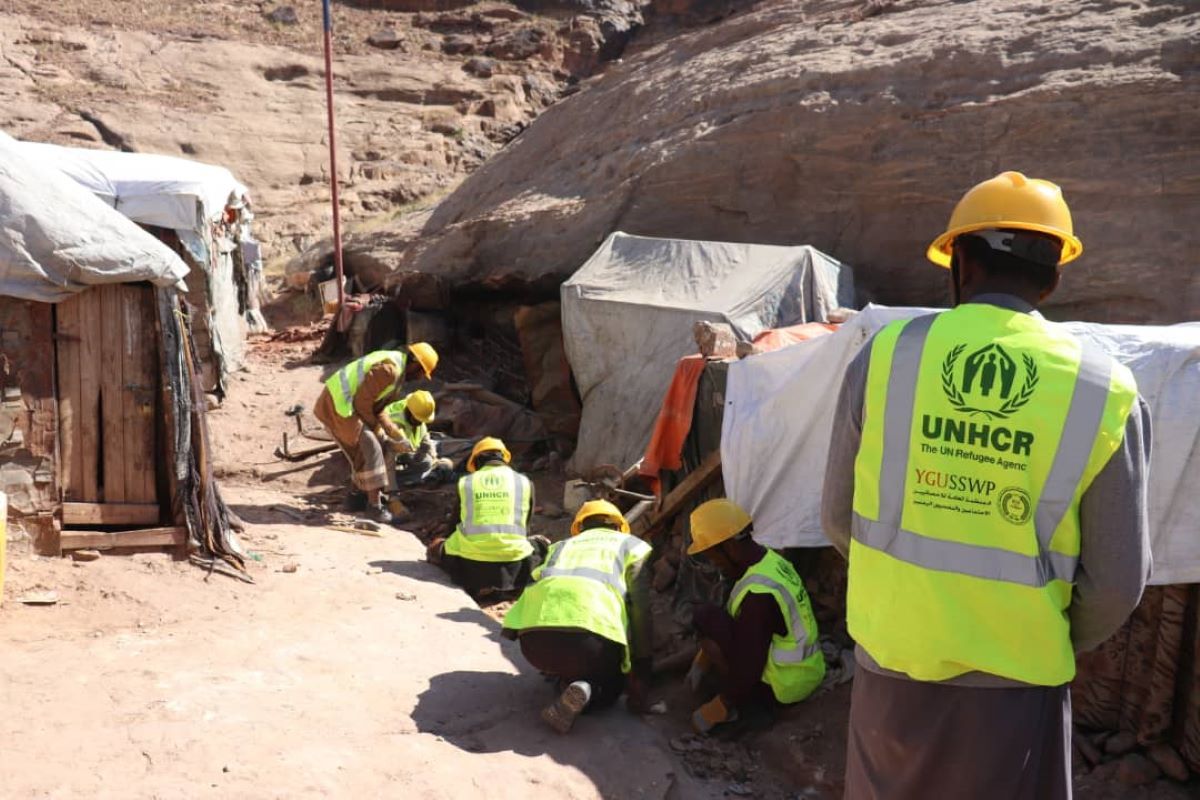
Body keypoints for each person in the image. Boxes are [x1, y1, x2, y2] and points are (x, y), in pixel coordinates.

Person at [821, 171, 1152, 799]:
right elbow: (1116, 583)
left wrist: (910, 601)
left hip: (889, 674)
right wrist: (1033, 631)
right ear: (1054, 273)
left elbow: (839, 519)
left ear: (961, 263)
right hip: (1014, 698)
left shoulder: (886, 356)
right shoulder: (1104, 391)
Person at [502, 500, 653, 734]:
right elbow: (640, 611)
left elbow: (532, 588)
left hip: (534, 645)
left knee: (566, 658)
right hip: (591, 648)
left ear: (580, 527)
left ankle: (564, 679)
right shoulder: (633, 546)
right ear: (619, 526)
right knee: (613, 685)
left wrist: (513, 631)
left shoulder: (560, 547)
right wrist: (641, 670)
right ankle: (589, 689)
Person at [684, 498, 825, 735]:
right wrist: (702, 659)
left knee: (705, 616)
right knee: (711, 618)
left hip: (785, 686)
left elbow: (749, 663)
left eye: (713, 556)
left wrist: (718, 707)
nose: (714, 564)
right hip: (808, 671)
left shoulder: (759, 596)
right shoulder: (770, 561)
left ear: (728, 547)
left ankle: (745, 707)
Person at [314, 343, 439, 523]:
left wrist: (395, 434)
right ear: (415, 364)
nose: (420, 378)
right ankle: (374, 507)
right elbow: (362, 404)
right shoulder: (389, 370)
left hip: (348, 406)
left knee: (372, 445)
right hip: (338, 405)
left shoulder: (397, 376)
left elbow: (379, 409)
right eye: (421, 373)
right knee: (373, 446)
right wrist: (380, 434)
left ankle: (355, 497)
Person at [426, 437, 546, 598]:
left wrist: (442, 545)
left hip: (469, 569)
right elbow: (525, 527)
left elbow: (454, 525)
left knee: (436, 547)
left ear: (475, 461)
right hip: (515, 566)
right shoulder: (524, 482)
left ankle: (481, 586)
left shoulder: (466, 482)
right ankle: (509, 586)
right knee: (542, 545)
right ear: (504, 458)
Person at [380, 390, 452, 485]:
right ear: (410, 412)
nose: (420, 423)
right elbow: (387, 453)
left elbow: (424, 438)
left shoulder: (416, 410)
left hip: (403, 451)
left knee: (429, 458)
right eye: (418, 420)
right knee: (424, 463)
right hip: (383, 458)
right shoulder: (395, 423)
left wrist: (435, 459)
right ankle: (392, 483)